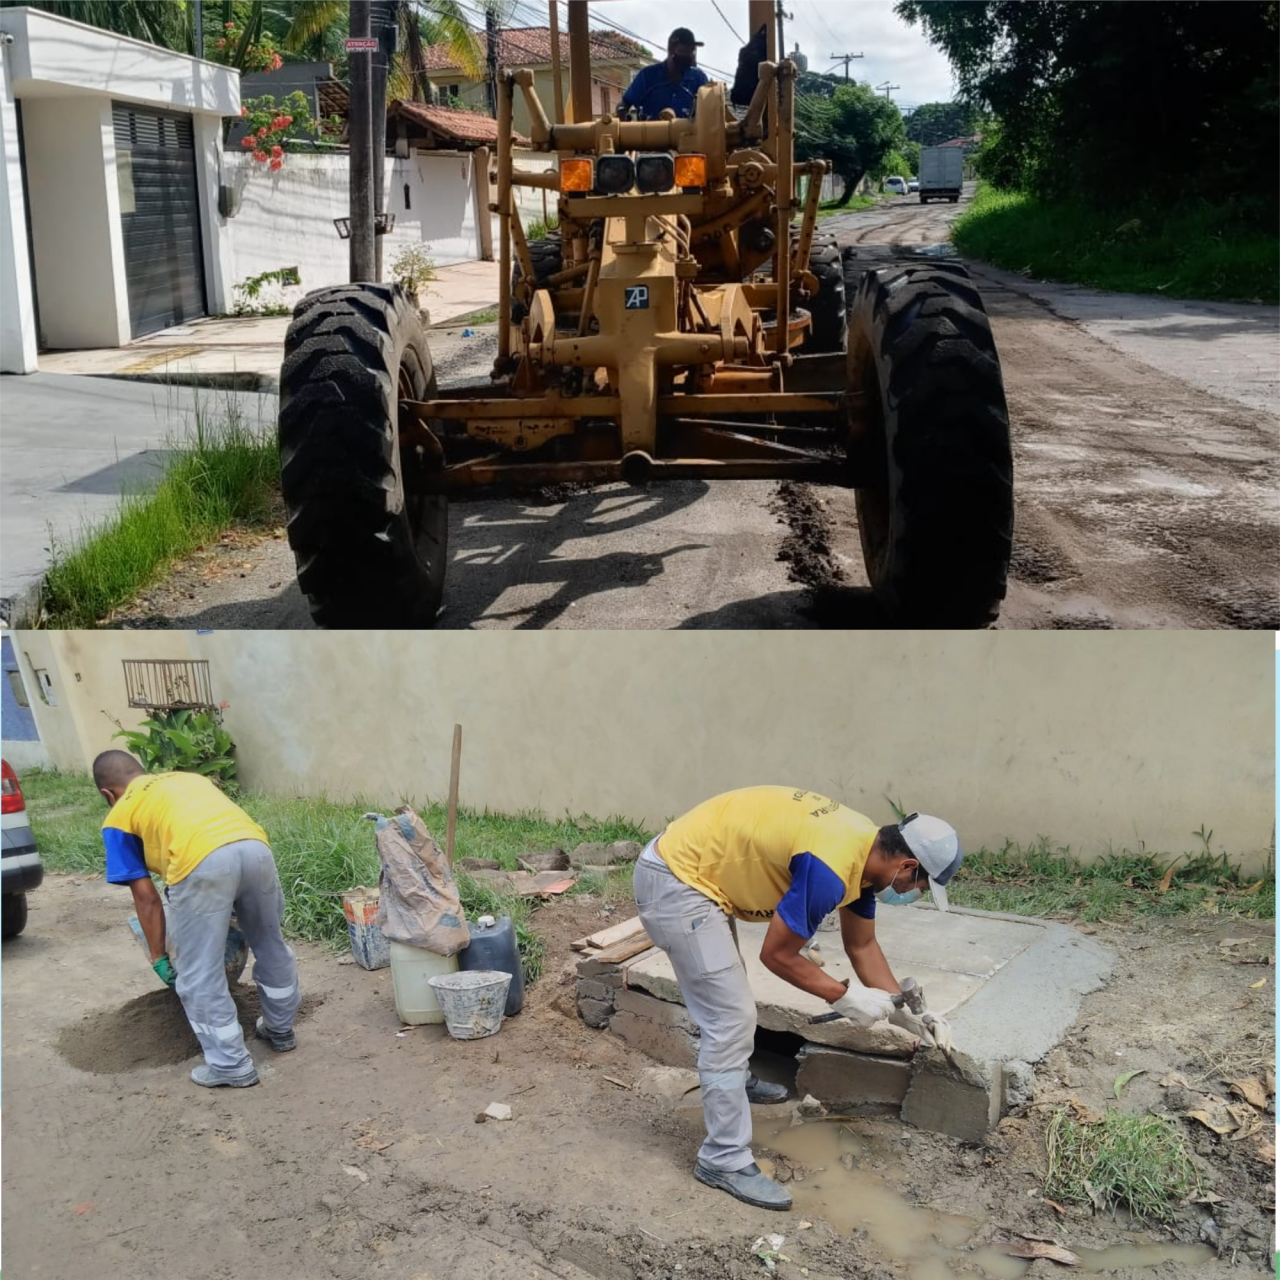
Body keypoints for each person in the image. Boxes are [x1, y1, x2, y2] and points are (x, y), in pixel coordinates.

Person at [633, 787, 962, 1211]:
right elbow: (777, 955)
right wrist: (845, 998)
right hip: (677, 880)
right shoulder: (830, 866)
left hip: (698, 868)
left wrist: (907, 1012)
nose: (912, 894)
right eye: (919, 885)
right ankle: (723, 1159)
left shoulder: (864, 853)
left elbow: (862, 947)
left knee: (727, 1002)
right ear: (908, 865)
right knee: (729, 1018)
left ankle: (730, 1081)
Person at [94, 750, 302, 1089]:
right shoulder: (188, 778)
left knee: (198, 973)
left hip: (201, 862)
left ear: (107, 794)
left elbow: (146, 897)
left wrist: (159, 956)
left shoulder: (119, 814)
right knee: (270, 945)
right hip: (256, 849)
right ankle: (280, 1029)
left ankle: (230, 1065)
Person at [620, 27, 709, 120]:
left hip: (689, 134)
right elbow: (625, 103)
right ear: (671, 50)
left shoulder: (698, 78)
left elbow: (710, 107)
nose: (688, 56)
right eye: (683, 52)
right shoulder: (647, 76)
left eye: (691, 52)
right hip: (651, 133)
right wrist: (622, 113)